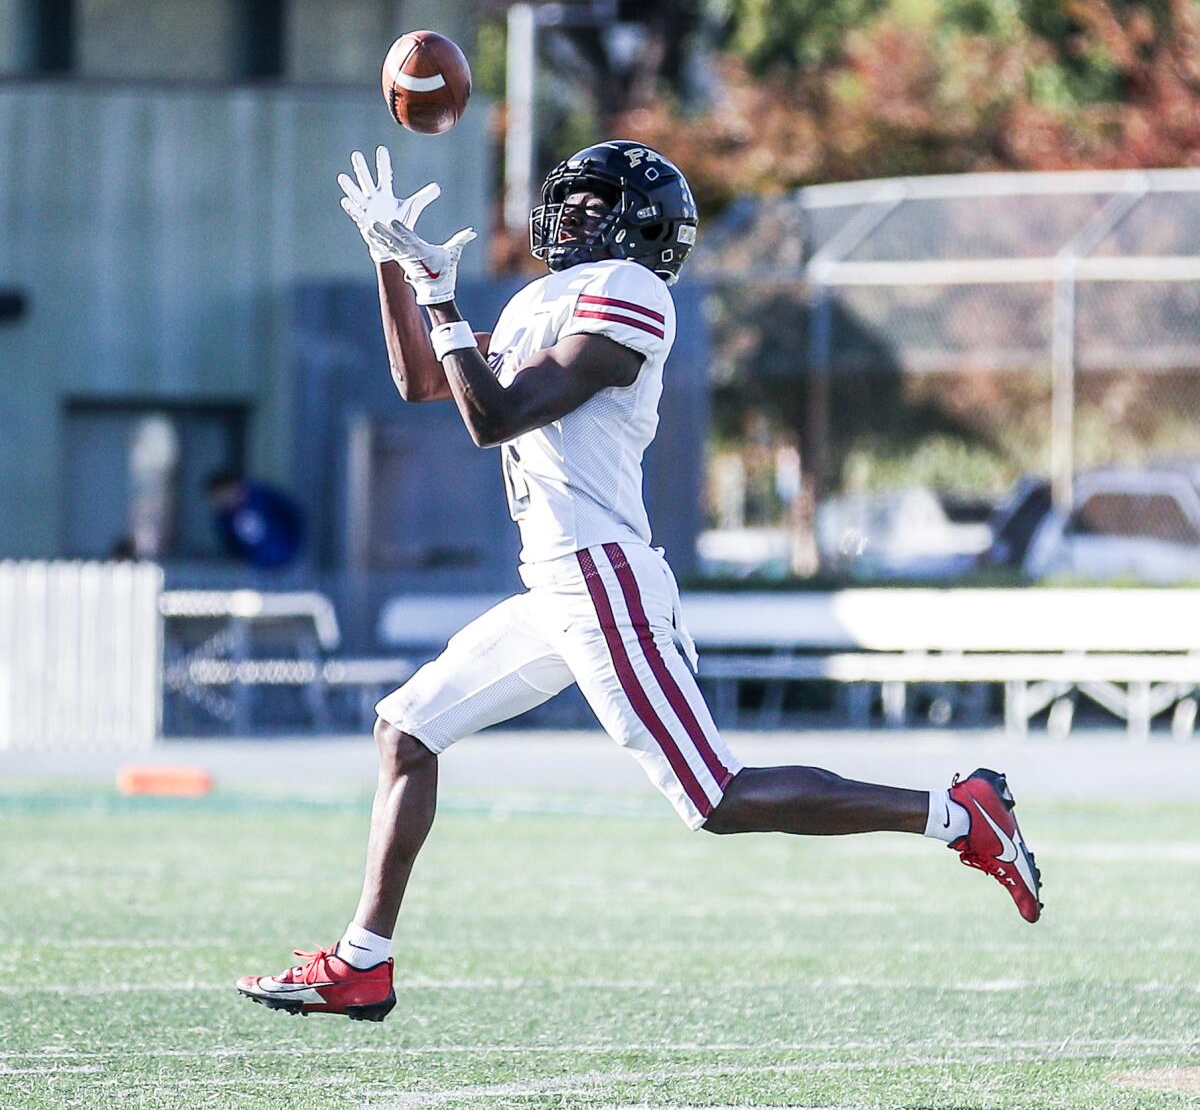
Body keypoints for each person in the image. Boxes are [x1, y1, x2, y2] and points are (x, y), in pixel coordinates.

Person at [236, 141, 1042, 1022]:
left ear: (644, 222)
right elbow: (428, 379)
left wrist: (440, 295)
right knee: (406, 730)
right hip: (553, 584)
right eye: (570, 199)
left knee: (717, 797)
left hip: (601, 576)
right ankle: (364, 961)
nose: (573, 213)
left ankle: (961, 814)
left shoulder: (633, 292)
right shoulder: (542, 298)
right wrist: (396, 263)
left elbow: (493, 417)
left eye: (596, 201)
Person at [205, 470, 304, 570]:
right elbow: (231, 545)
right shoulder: (225, 518)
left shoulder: (264, 499)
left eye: (222, 495)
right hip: (257, 567)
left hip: (289, 559)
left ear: (233, 487)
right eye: (216, 499)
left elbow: (292, 516)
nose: (220, 501)